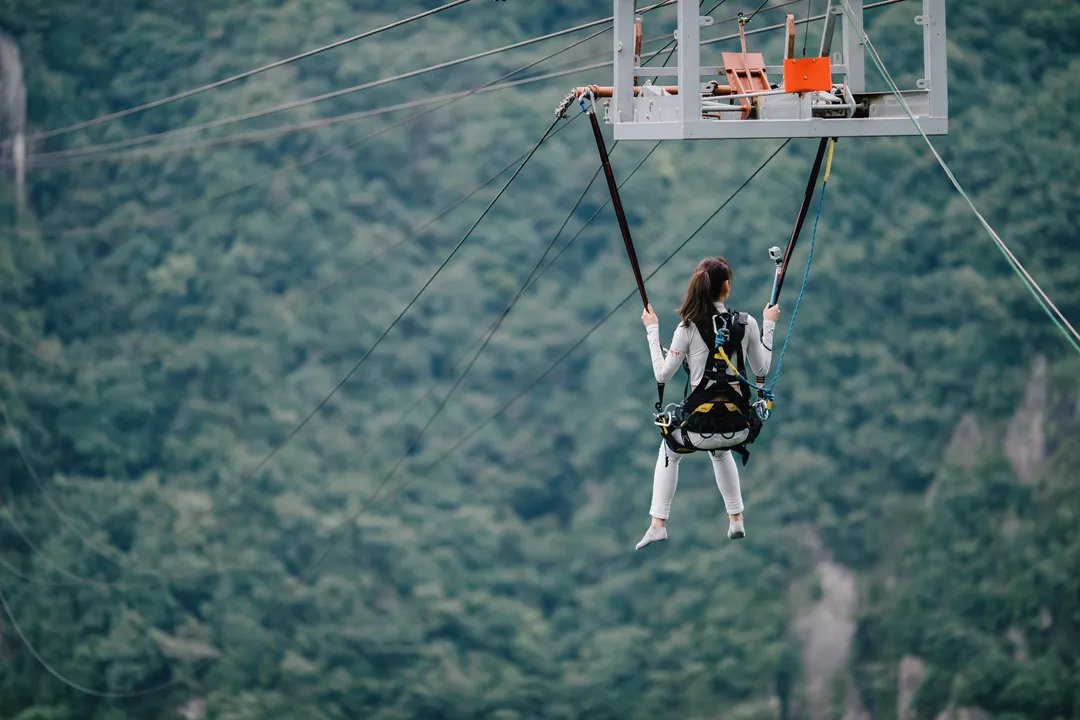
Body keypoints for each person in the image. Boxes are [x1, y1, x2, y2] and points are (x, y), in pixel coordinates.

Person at [636, 256, 779, 550]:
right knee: (721, 449)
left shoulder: (687, 328)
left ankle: (658, 523)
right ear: (726, 286)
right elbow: (761, 369)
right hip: (739, 427)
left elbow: (662, 373)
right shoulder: (747, 323)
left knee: (670, 450)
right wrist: (768, 324)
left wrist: (652, 329)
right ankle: (736, 518)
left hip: (696, 431)